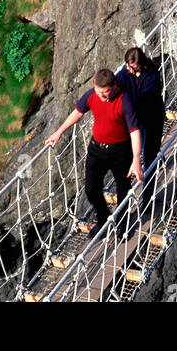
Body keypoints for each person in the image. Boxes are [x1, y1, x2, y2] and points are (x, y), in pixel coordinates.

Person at [46, 69, 144, 236]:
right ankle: (104, 220)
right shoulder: (92, 95)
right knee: (91, 189)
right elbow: (77, 112)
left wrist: (136, 158)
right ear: (94, 86)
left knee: (123, 189)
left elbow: (135, 131)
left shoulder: (124, 100)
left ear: (114, 86)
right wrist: (59, 132)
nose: (102, 97)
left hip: (121, 151)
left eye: (106, 93)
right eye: (99, 93)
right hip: (96, 149)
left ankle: (122, 223)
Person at [116, 47, 164, 182]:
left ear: (142, 64)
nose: (131, 71)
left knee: (149, 156)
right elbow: (113, 85)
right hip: (136, 119)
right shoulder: (125, 73)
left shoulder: (152, 75)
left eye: (134, 68)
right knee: (135, 150)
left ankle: (148, 200)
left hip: (152, 118)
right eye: (128, 66)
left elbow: (144, 100)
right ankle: (157, 155)